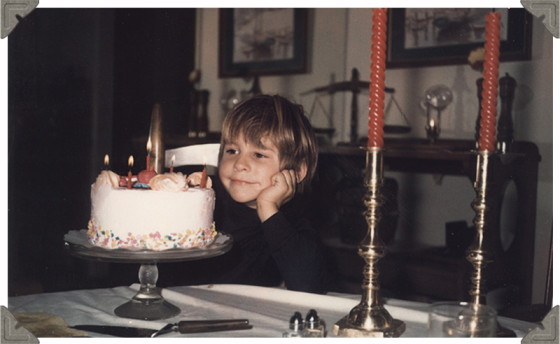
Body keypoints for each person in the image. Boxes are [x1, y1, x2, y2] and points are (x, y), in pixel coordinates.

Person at [188, 94, 327, 294]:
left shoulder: (290, 225)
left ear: (296, 173)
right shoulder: (204, 200)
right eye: (232, 151)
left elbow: (308, 287)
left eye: (259, 155)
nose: (240, 164)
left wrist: (268, 208)